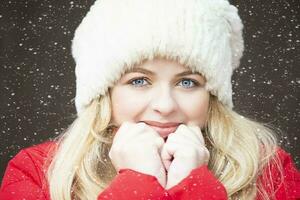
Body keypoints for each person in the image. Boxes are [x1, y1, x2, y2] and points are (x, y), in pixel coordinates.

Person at [1, 0, 299, 199]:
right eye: (139, 81)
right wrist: (138, 179)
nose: (166, 105)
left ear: (212, 94)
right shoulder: (38, 171)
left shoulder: (268, 170)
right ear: (104, 92)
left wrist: (193, 182)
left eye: (187, 82)